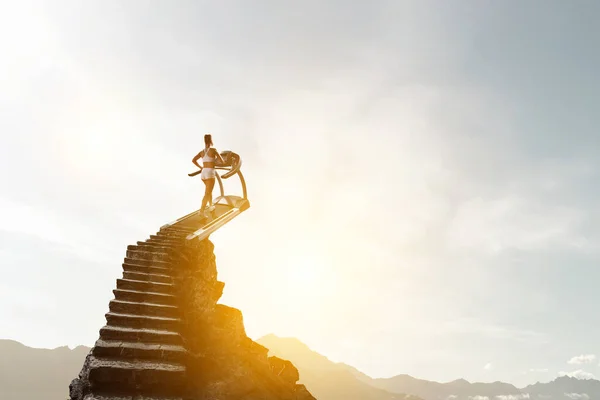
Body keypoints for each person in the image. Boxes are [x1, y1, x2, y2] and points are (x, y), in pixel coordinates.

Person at [192, 134, 225, 216]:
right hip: (210, 172)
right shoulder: (214, 150)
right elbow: (222, 161)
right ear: (211, 141)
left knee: (208, 191)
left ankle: (210, 206)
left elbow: (193, 160)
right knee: (207, 193)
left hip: (203, 173)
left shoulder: (201, 152)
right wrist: (215, 161)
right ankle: (201, 211)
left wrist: (201, 167)